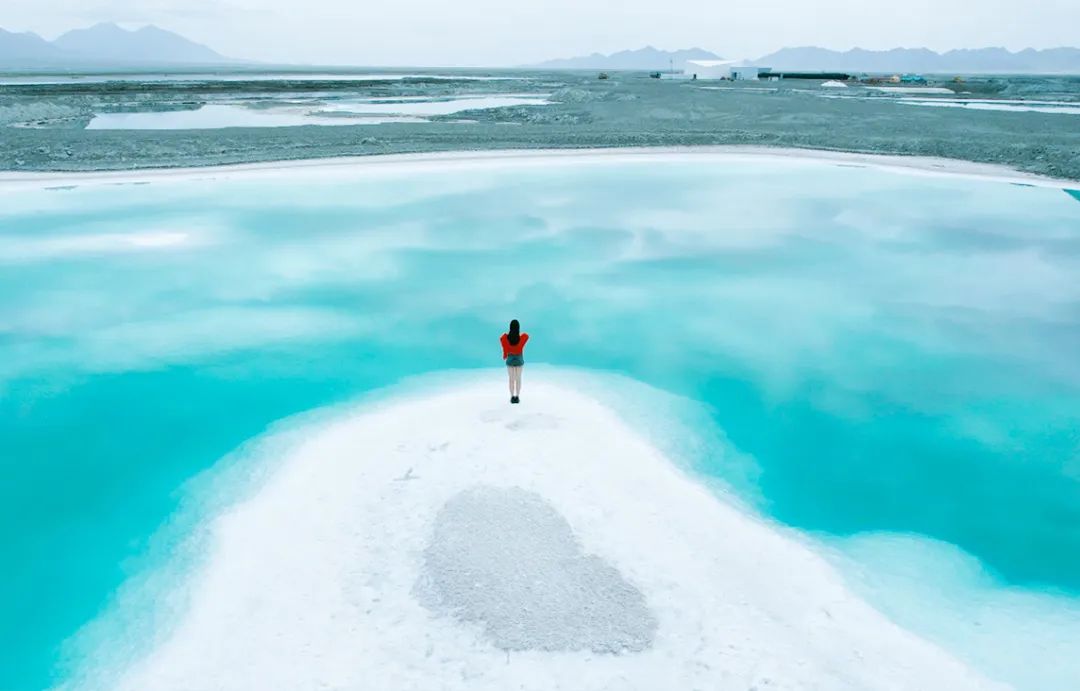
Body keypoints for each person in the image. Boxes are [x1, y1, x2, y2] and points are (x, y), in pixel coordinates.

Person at [500, 319, 529, 404]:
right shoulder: (521, 339)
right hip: (519, 360)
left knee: (511, 379)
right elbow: (526, 335)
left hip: (510, 360)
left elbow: (502, 340)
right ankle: (517, 396)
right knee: (518, 379)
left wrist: (505, 354)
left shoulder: (505, 339)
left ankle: (512, 396)